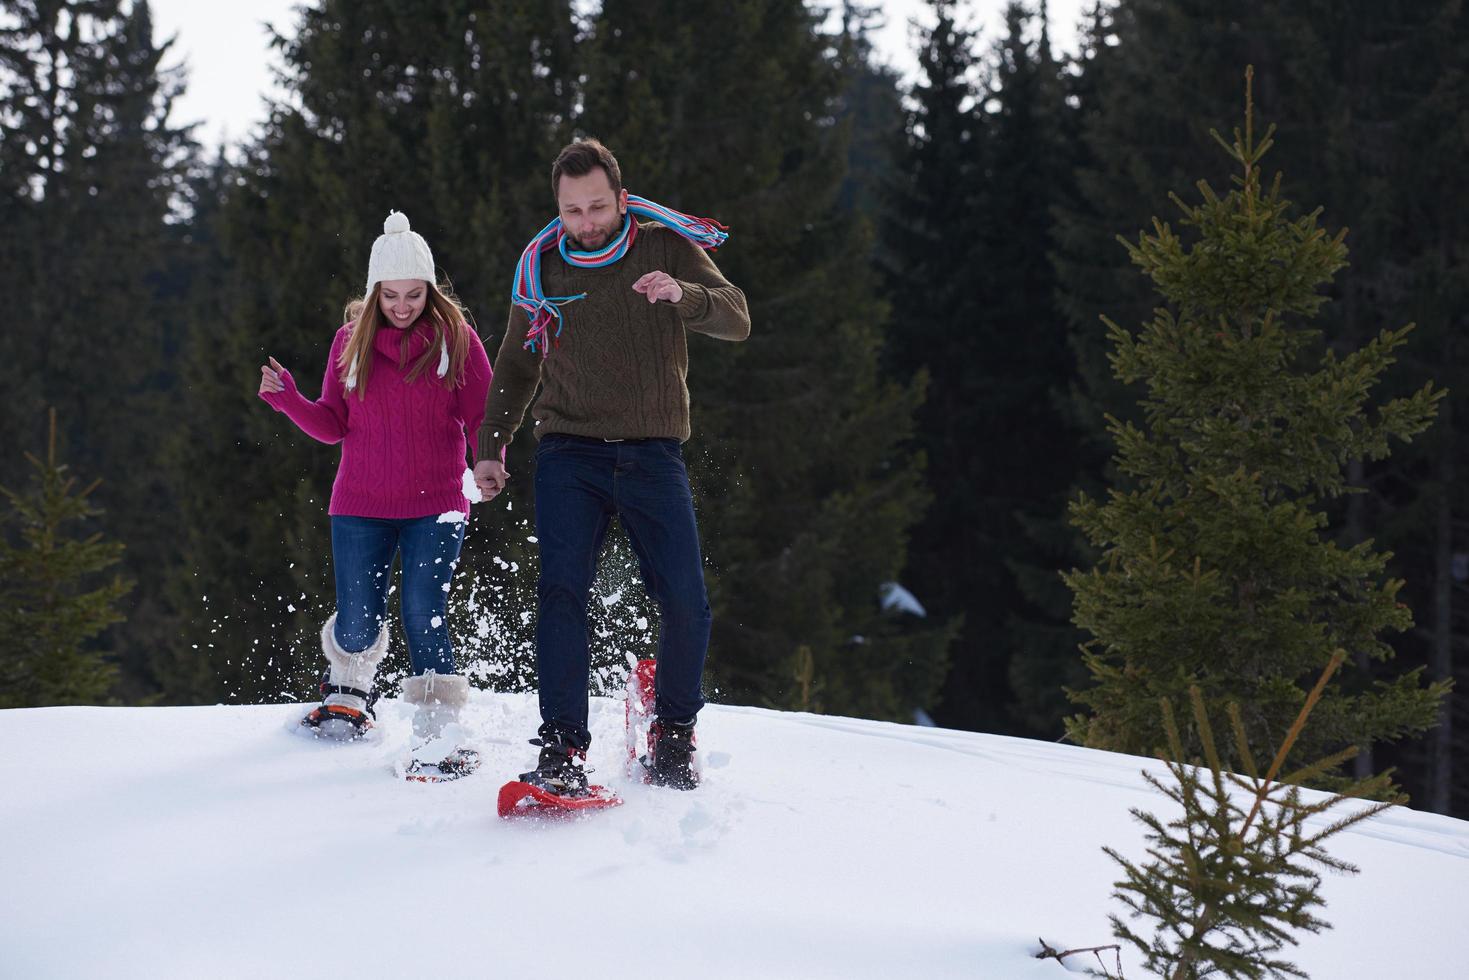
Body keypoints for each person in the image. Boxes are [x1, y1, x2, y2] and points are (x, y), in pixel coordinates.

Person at [473, 138, 750, 793]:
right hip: (570, 454)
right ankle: (563, 747)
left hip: (653, 453)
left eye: (598, 206)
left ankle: (674, 734)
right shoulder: (540, 268)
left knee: (686, 600)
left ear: (621, 200)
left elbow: (735, 317)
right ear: (558, 210)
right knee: (562, 594)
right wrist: (490, 445)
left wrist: (682, 294)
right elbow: (516, 364)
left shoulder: (662, 246)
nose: (587, 221)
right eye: (572, 210)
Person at [259, 211, 492, 750]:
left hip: (438, 503)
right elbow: (333, 425)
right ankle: (346, 684)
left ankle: (439, 726)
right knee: (359, 618)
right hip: (360, 503)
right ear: (374, 291)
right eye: (391, 296)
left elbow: (483, 417)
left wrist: (489, 460)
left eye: (414, 295)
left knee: (422, 608)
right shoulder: (349, 342)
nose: (403, 306)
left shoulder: (458, 341)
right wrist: (288, 399)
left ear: (431, 291)